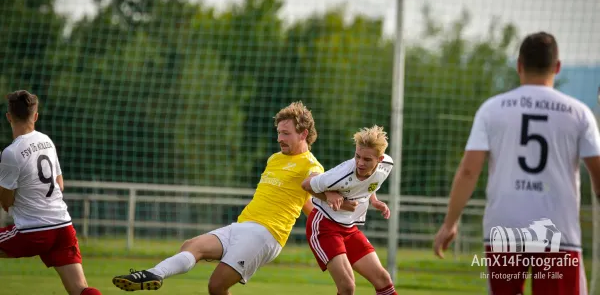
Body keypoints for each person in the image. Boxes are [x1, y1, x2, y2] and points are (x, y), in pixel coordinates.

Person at [113, 101, 353, 294]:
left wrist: (331, 197)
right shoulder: (275, 158)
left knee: (216, 285)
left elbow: (315, 181)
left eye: (286, 133)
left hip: (267, 234)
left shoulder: (312, 164)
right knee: (191, 246)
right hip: (243, 225)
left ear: (303, 133)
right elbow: (305, 203)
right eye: (278, 132)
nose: (280, 138)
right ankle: (153, 274)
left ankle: (155, 273)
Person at [433, 32, 600, 295]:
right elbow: (598, 175)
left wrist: (450, 223)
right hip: (558, 231)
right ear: (557, 66)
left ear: (519, 65)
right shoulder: (579, 113)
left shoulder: (492, 109)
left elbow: (468, 171)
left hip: (504, 228)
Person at [0, 90, 102, 295]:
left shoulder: (11, 153)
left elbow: (6, 201)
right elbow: (60, 184)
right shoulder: (46, 141)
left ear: (9, 117)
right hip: (63, 228)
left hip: (33, 231)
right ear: (35, 116)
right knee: (81, 289)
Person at [301, 125, 398, 295]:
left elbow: (371, 183)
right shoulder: (342, 173)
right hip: (324, 225)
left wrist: (374, 200)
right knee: (347, 287)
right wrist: (328, 196)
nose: (360, 163)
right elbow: (306, 184)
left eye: (367, 159)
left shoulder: (387, 165)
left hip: (349, 228)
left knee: (383, 279)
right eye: (357, 156)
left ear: (380, 159)